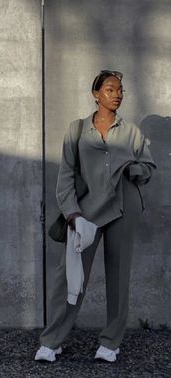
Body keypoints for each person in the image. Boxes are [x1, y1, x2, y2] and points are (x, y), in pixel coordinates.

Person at [35, 70, 157, 363]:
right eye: (110, 89)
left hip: (123, 209)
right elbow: (65, 177)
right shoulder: (77, 130)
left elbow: (148, 168)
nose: (117, 95)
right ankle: (52, 341)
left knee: (118, 277)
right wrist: (72, 213)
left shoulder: (131, 133)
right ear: (96, 94)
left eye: (120, 90)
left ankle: (110, 342)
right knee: (70, 277)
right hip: (86, 212)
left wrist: (133, 169)